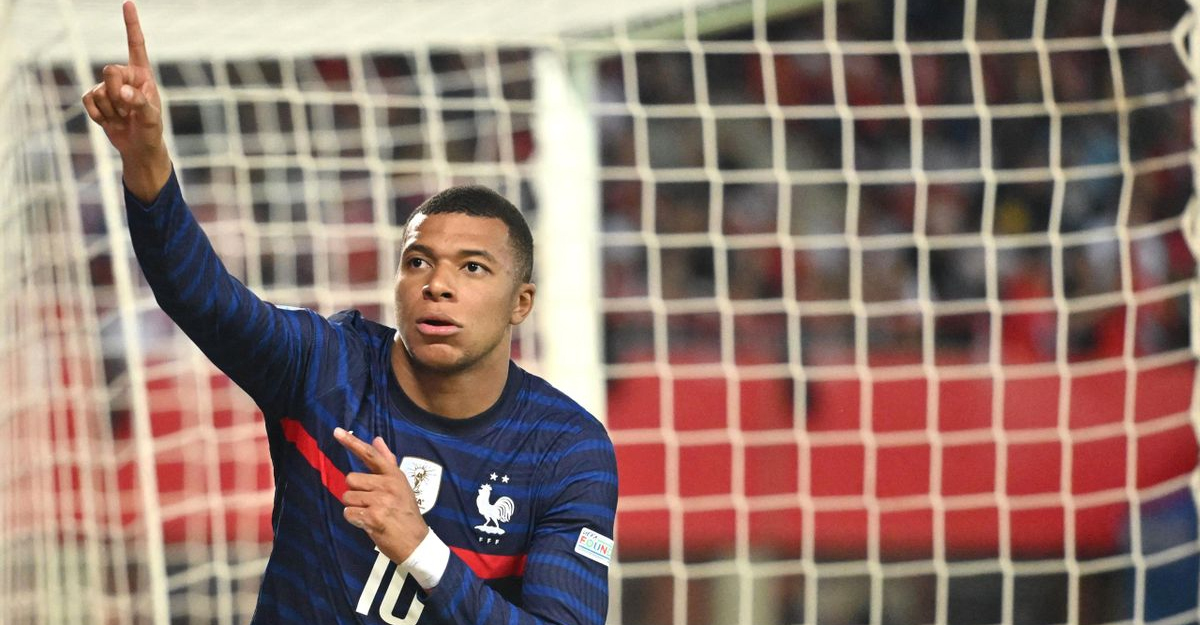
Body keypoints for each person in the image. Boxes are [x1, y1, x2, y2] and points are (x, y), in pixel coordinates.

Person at [81, 3, 618, 624]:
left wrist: (423, 552)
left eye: (472, 268)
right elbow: (201, 297)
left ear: (520, 302)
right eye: (418, 261)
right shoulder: (325, 367)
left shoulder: (566, 449)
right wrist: (145, 159)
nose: (438, 285)